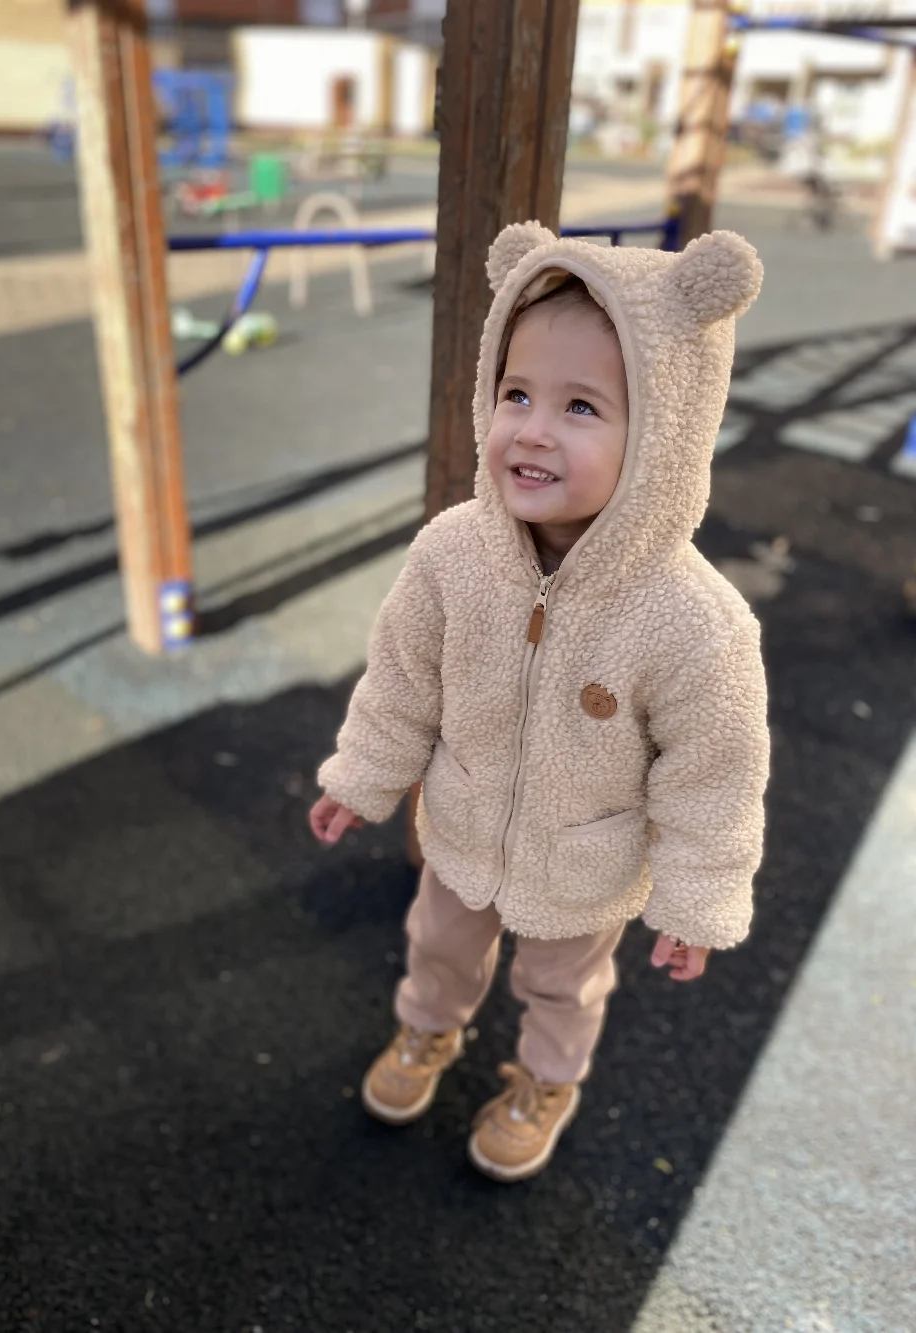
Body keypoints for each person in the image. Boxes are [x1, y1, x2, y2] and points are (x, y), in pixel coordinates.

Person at [309, 222, 770, 1182]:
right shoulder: (452, 553)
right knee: (438, 945)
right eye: (515, 392)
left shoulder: (693, 622)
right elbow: (402, 678)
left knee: (562, 984)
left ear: (665, 435)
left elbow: (714, 775)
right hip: (463, 824)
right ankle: (427, 1027)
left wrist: (695, 899)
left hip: (586, 860)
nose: (531, 428)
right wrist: (362, 775)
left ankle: (546, 1081)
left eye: (581, 406)